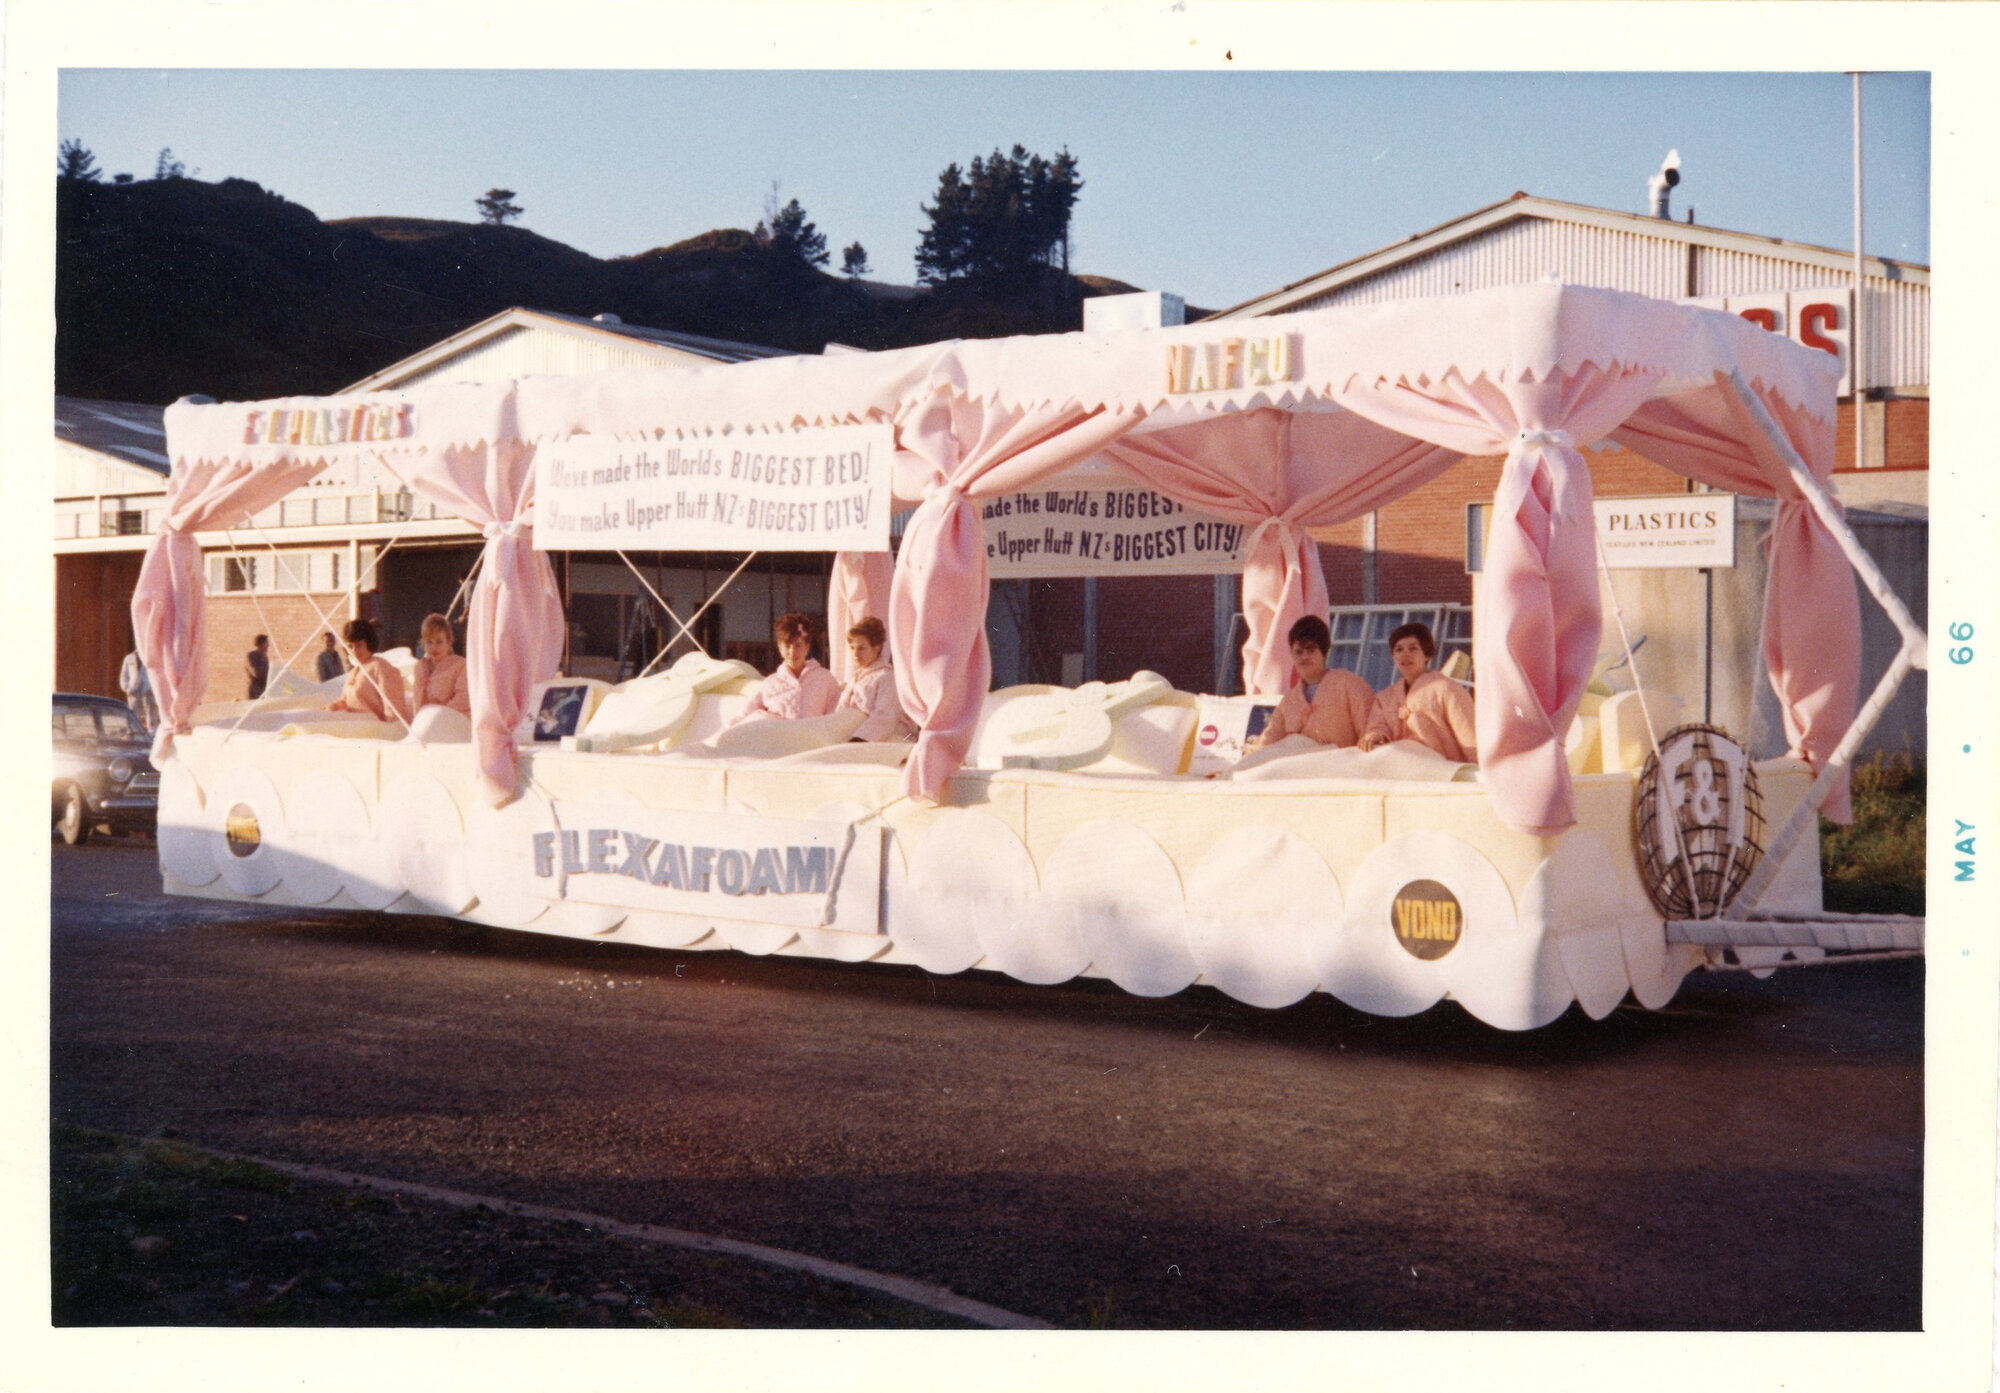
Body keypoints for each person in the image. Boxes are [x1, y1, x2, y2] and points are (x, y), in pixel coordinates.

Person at [1244, 615, 1374, 751]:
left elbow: (1370, 730)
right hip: (1298, 767)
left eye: (1311, 650)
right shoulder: (1289, 701)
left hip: (1339, 766)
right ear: (1291, 654)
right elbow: (1268, 741)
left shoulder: (1350, 685)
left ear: (1323, 653)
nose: (1304, 657)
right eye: (1299, 652)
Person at [1359, 621, 1478, 763]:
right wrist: (1376, 734)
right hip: (1402, 769)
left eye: (1413, 649)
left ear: (1426, 655)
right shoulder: (1385, 697)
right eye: (1399, 650)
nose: (1405, 655)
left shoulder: (1446, 688)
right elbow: (1378, 725)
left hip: (1441, 769)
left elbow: (1469, 735)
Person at [732, 612, 838, 724]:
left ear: (807, 647)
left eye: (798, 645)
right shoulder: (770, 683)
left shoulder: (825, 679)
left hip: (815, 738)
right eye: (787, 646)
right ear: (780, 648)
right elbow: (744, 715)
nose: (792, 652)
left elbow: (836, 713)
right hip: (781, 738)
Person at [836, 617, 916, 742]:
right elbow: (840, 713)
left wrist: (859, 740)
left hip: (886, 740)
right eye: (852, 648)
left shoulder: (887, 677)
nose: (856, 654)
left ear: (876, 648)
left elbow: (886, 716)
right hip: (855, 738)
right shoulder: (855, 679)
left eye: (861, 648)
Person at [325, 617, 413, 725]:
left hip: (376, 730)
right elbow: (345, 700)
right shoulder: (355, 671)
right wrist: (333, 707)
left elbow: (393, 707)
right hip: (356, 728)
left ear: (369, 643)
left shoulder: (381, 667)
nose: (354, 651)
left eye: (359, 645)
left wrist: (393, 731)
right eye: (350, 646)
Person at [412, 612, 471, 715]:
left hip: (453, 719)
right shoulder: (420, 667)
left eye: (439, 642)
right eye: (429, 642)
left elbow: (463, 699)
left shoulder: (460, 665)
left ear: (448, 642)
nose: (434, 648)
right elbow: (416, 703)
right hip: (427, 721)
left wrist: (439, 716)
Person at [119, 646, 157, 729]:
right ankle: (136, 731)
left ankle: (152, 732)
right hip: (134, 692)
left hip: (147, 691)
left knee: (150, 712)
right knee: (134, 713)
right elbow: (124, 675)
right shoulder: (129, 658)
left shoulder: (150, 656)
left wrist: (153, 688)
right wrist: (127, 688)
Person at [245, 634, 270, 700]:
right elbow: (256, 672)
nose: (268, 645)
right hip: (256, 690)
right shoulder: (252, 655)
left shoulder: (264, 656)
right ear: (261, 644)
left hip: (264, 689)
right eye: (266, 643)